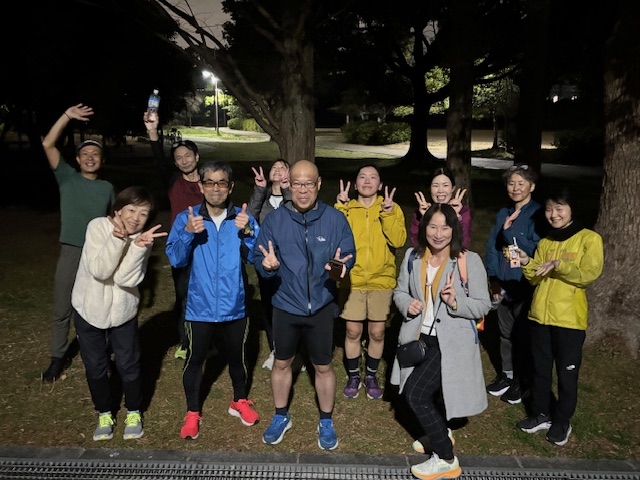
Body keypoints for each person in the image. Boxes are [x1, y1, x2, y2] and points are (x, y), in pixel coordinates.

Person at [253, 160, 356, 450]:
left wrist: (339, 269)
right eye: (296, 183)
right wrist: (267, 267)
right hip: (285, 305)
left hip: (321, 306)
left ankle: (326, 420)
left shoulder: (334, 219)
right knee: (282, 362)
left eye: (308, 183)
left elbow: (347, 255)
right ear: (289, 184)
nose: (302, 190)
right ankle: (280, 415)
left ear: (318, 184)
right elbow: (259, 257)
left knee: (323, 366)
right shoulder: (275, 220)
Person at [391, 203, 490, 480]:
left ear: (454, 229)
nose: (438, 233)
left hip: (449, 342)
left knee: (416, 394)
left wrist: (455, 302)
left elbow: (483, 305)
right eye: (432, 226)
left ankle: (446, 458)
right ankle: (439, 431)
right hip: (417, 337)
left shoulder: (468, 261)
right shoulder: (412, 257)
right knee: (430, 393)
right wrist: (407, 303)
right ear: (424, 228)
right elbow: (399, 291)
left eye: (445, 227)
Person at [165, 161, 261, 440]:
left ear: (230, 187)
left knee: (238, 356)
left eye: (221, 183)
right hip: (200, 305)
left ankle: (239, 401)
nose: (215, 188)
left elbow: (257, 258)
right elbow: (175, 259)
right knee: (194, 360)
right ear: (201, 186)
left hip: (234, 304)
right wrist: (188, 233)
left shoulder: (242, 218)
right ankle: (192, 411)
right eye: (209, 182)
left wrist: (249, 232)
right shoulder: (187, 218)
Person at [72, 186, 167, 441]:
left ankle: (134, 411)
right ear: (118, 210)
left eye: (143, 214)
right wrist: (117, 240)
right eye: (131, 210)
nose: (136, 218)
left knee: (129, 364)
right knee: (96, 366)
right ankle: (104, 413)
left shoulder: (143, 239)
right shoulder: (97, 227)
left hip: (123, 313)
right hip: (89, 310)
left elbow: (127, 279)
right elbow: (100, 271)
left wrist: (138, 248)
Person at [515, 187, 603, 446]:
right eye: (549, 209)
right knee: (540, 371)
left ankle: (562, 421)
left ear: (571, 209)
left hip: (569, 321)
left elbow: (588, 274)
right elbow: (535, 278)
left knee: (567, 375)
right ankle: (540, 414)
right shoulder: (546, 242)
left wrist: (559, 264)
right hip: (540, 318)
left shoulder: (589, 239)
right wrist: (526, 262)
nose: (553, 214)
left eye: (559, 208)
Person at [41, 104, 115, 383]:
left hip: (97, 253)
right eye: (85, 154)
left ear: (102, 160)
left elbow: (113, 221)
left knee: (98, 307)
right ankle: (57, 357)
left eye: (95, 154)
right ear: (77, 159)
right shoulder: (67, 178)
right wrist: (66, 116)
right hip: (72, 250)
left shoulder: (107, 188)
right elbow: (48, 144)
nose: (90, 158)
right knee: (63, 306)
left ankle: (100, 356)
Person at [335, 164, 407, 400]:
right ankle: (354, 375)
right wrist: (341, 209)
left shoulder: (391, 208)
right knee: (353, 330)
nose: (367, 181)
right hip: (353, 280)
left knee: (376, 333)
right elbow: (335, 239)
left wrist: (388, 214)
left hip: (381, 280)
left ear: (380, 184)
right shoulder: (346, 207)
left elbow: (398, 240)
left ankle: (371, 376)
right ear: (355, 184)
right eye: (362, 177)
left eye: (373, 177)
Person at [484, 164, 545, 404]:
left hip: (524, 282)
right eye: (511, 183)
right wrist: (493, 277)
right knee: (505, 333)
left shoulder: (538, 214)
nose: (516, 188)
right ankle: (507, 375)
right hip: (503, 283)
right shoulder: (504, 212)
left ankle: (523, 380)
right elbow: (492, 246)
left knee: (523, 336)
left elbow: (536, 249)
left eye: (521, 183)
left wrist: (510, 234)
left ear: (532, 186)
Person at [144, 112, 203, 360]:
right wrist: (153, 131)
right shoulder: (173, 182)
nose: (184, 160)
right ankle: (186, 342)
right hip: (181, 245)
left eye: (187, 155)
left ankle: (206, 339)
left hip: (206, 245)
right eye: (178, 158)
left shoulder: (209, 182)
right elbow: (159, 159)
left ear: (196, 157)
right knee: (183, 295)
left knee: (205, 294)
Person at [247, 159, 291, 370]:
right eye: (275, 167)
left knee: (290, 307)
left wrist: (287, 190)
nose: (278, 170)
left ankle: (293, 351)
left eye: (283, 168)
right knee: (269, 306)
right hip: (266, 260)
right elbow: (250, 219)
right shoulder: (263, 200)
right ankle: (276, 350)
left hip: (290, 261)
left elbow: (295, 214)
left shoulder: (292, 198)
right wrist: (259, 189)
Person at [409, 167, 470, 248]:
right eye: (435, 186)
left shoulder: (462, 212)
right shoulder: (420, 213)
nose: (440, 190)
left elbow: (463, 244)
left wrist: (455, 218)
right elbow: (416, 244)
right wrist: (425, 218)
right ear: (429, 188)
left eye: (445, 185)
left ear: (452, 188)